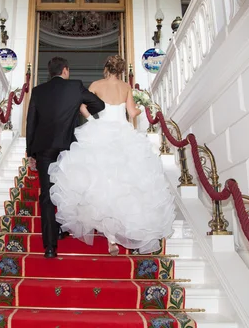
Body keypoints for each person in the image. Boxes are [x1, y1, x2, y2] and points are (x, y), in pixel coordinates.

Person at [48, 55, 176, 255]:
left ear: (106, 68)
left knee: (102, 184)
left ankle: (111, 238)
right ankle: (117, 235)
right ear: (121, 70)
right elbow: (132, 113)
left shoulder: (96, 84)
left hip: (100, 132)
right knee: (124, 186)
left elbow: (80, 105)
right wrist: (142, 106)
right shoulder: (126, 87)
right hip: (123, 134)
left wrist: (92, 120)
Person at [26, 57, 105, 258]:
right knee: (68, 189)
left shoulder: (37, 91)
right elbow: (99, 105)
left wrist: (30, 152)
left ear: (50, 72)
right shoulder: (75, 88)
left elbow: (31, 122)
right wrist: (78, 109)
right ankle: (62, 228)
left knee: (46, 195)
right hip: (67, 147)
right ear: (65, 70)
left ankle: (50, 247)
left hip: (43, 148)